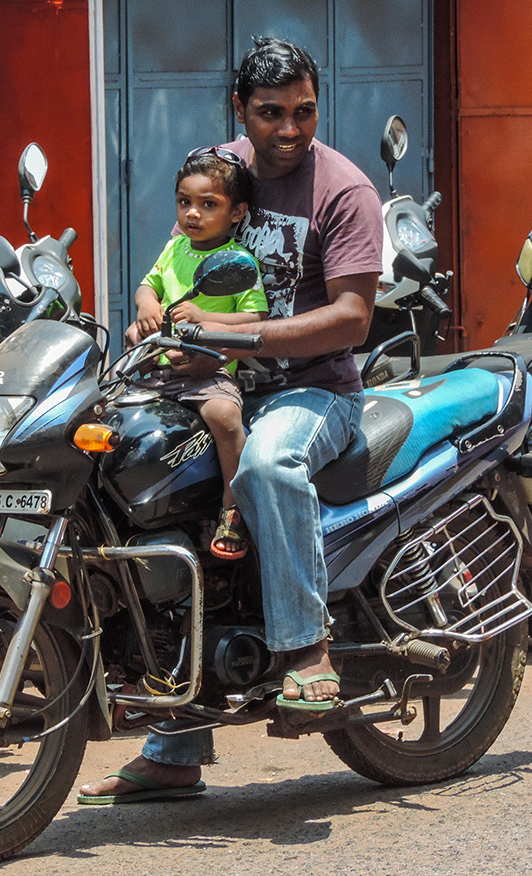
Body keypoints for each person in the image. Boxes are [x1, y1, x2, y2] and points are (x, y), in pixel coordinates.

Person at [78, 36, 383, 804]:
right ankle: (174, 740)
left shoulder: (343, 191)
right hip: (213, 384)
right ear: (239, 110)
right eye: (272, 113)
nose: (291, 130)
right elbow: (173, 260)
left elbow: (351, 320)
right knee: (146, 490)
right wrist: (149, 306)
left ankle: (308, 654)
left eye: (305, 112)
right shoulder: (218, 170)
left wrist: (231, 335)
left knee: (268, 463)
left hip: (313, 393)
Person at [129, 148, 268, 559]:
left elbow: (255, 317)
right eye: (184, 202)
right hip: (158, 368)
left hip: (209, 371)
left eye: (209, 205)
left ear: (237, 212)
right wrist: (146, 307)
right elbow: (147, 285)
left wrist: (205, 317)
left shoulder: (239, 261)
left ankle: (233, 507)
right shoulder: (174, 249)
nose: (193, 214)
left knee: (224, 417)